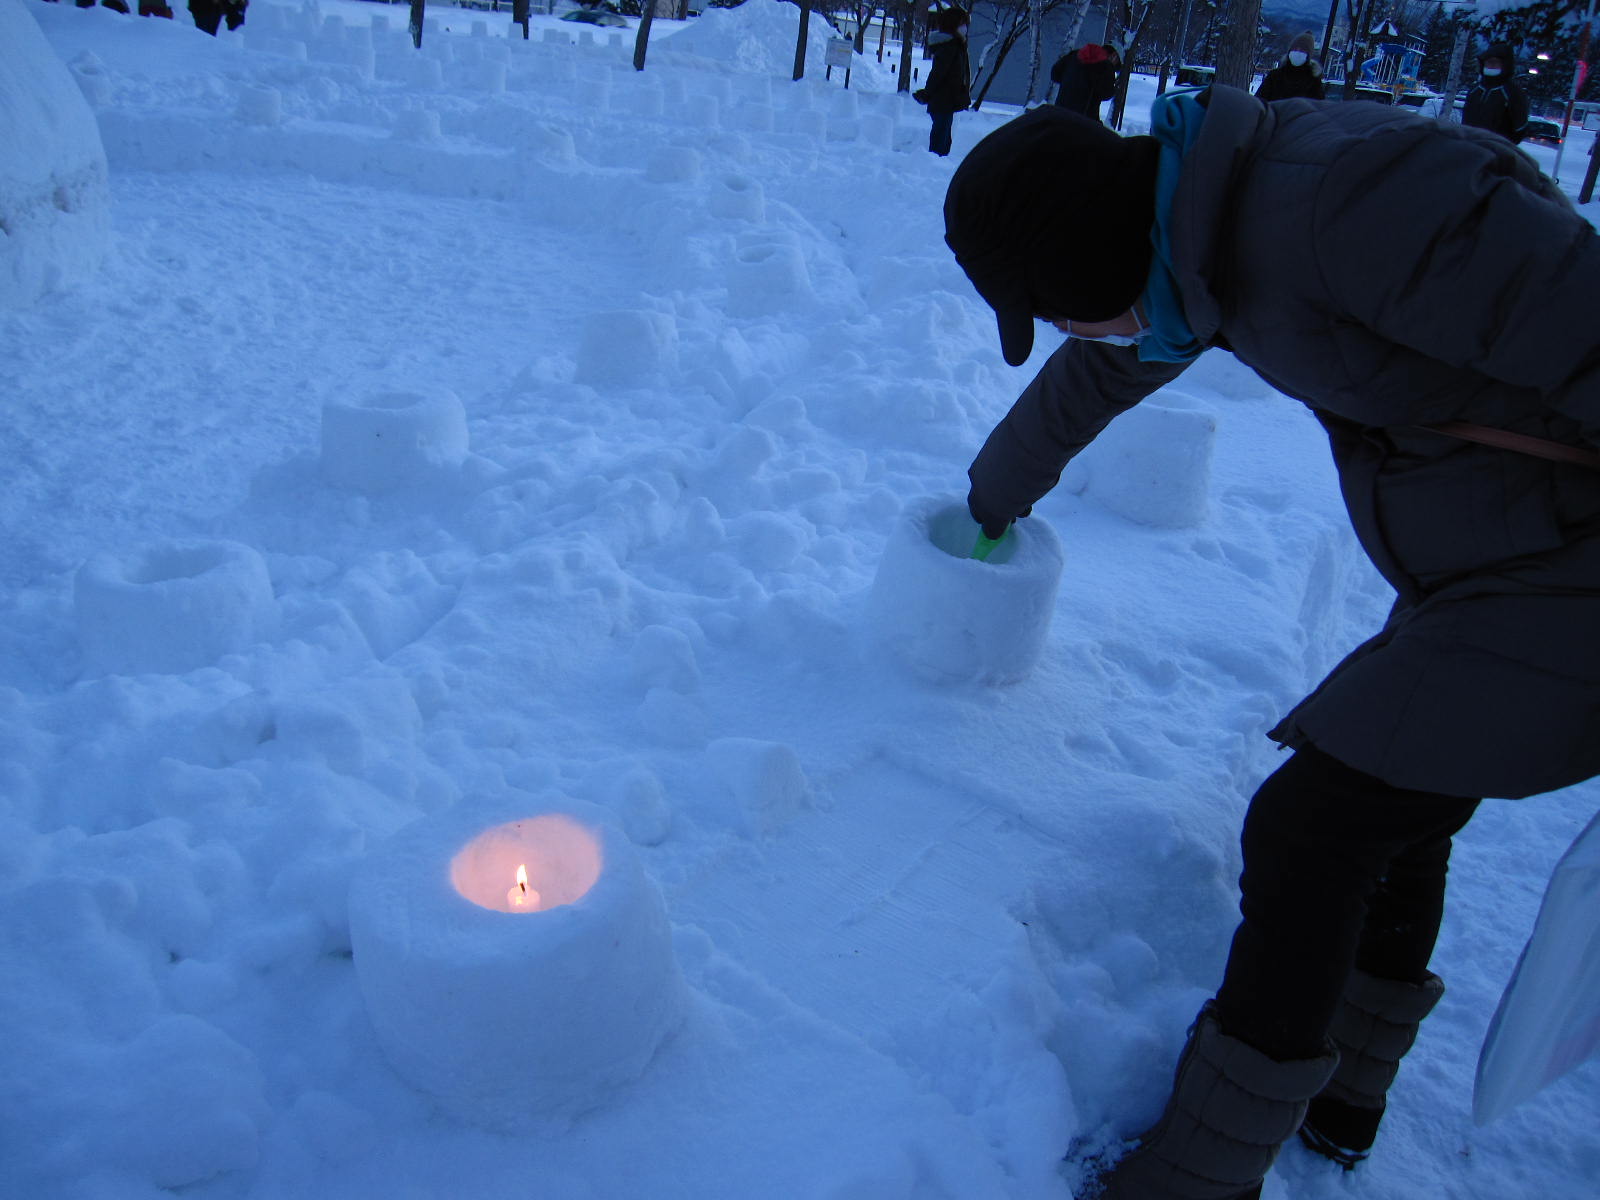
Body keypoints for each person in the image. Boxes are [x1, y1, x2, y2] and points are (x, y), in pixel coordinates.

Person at [942, 86, 1600, 1199]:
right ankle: (1343, 1095)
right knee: (1398, 792)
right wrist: (988, 502)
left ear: (1091, 260)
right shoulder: (1192, 235)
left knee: (1313, 826)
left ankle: (1200, 1175)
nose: (1064, 333)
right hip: (1498, 553)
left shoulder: (1351, 203)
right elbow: (1101, 368)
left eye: (1054, 310)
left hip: (1562, 567)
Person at [915, 5, 971, 157]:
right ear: (953, 25)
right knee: (940, 141)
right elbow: (938, 73)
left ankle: (936, 162)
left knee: (944, 138)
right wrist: (927, 93)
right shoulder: (949, 47)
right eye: (962, 24)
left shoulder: (955, 45)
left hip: (948, 100)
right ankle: (932, 164)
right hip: (943, 99)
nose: (965, 27)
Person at [1462, 42, 1529, 142]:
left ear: (1505, 65)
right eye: (1488, 62)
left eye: (1495, 62)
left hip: (1496, 147)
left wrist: (1503, 143)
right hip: (1470, 144)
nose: (1491, 65)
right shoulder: (1475, 90)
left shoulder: (1513, 92)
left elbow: (1520, 127)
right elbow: (1466, 120)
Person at [1051, 42, 1118, 121]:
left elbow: (1055, 75)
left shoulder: (1073, 55)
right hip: (1083, 120)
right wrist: (1114, 88)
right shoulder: (1107, 67)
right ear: (1113, 56)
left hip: (1060, 113)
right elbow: (1106, 93)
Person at [1255, 31, 1324, 101]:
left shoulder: (1314, 81)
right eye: (1295, 49)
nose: (1298, 52)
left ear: (1308, 55)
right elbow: (1258, 101)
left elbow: (1318, 105)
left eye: (1302, 50)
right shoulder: (1275, 76)